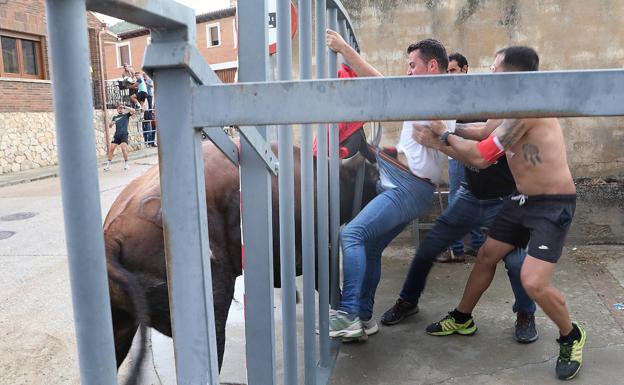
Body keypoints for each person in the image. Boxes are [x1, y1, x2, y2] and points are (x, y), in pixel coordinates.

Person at [418, 46, 585, 381]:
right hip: (524, 199)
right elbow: (482, 131)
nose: (490, 75)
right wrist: (451, 128)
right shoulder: (511, 107)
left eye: (494, 69)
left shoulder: (528, 110)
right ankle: (462, 318)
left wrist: (442, 138)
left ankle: (571, 335)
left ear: (511, 74)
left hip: (553, 204)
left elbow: (481, 156)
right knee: (486, 255)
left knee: (533, 281)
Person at [325, 29, 455, 341]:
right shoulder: (434, 96)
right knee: (369, 246)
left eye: (413, 65)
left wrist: (344, 49)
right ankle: (364, 318)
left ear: (432, 67)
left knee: (351, 234)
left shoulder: (431, 96)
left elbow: (377, 79)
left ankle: (348, 314)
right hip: (404, 182)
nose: (408, 71)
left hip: (407, 187)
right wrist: (392, 151)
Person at [380, 118, 539, 343]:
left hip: (505, 201)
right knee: (429, 247)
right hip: (471, 196)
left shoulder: (510, 109)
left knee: (516, 262)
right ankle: (408, 300)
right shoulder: (465, 97)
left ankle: (525, 313)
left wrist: (439, 139)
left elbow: (482, 152)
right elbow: (473, 130)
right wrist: (447, 131)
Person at [436, 52, 485, 263]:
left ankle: (457, 248)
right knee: (465, 196)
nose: (449, 75)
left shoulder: (475, 91)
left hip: (470, 150)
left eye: (453, 70)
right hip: (462, 150)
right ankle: (474, 244)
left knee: (460, 197)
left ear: (465, 68)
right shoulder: (454, 92)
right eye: (446, 71)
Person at [105, 103, 136, 171]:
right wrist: (111, 124)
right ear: (117, 109)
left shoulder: (126, 115)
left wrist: (125, 106)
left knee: (123, 148)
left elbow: (134, 110)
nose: (120, 109)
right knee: (111, 148)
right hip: (117, 135)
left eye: (121, 108)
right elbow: (110, 126)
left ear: (123, 109)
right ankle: (108, 165)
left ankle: (126, 164)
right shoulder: (115, 117)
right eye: (119, 108)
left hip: (124, 134)